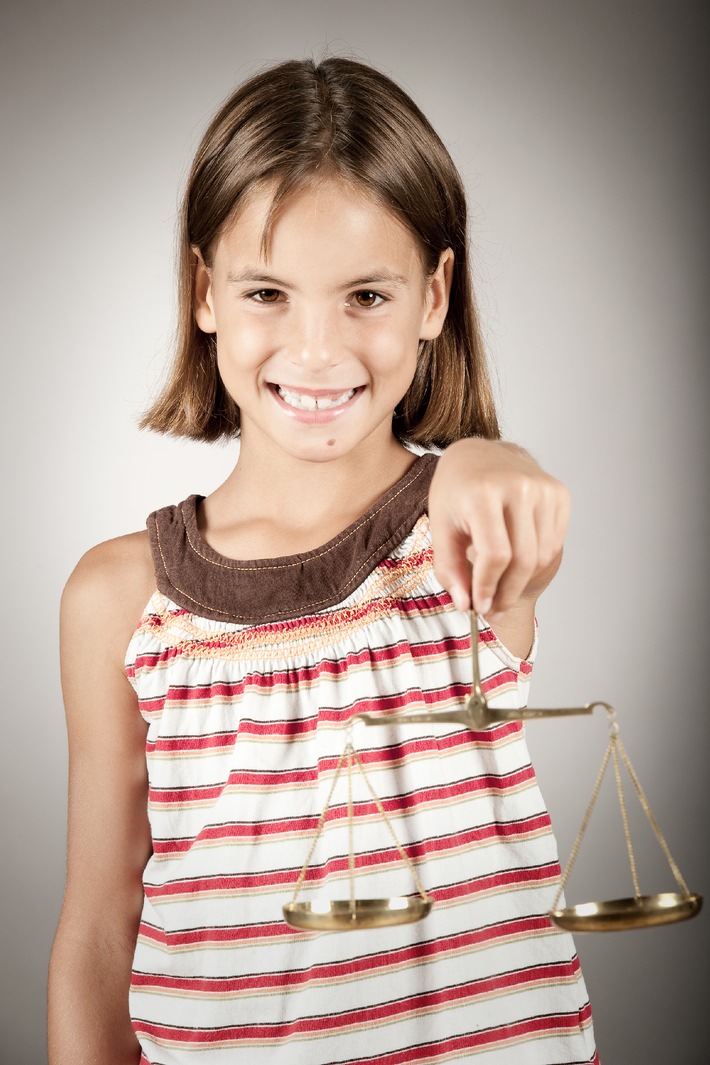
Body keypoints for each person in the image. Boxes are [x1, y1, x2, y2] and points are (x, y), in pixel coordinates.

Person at [48, 57, 597, 1065]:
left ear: (433, 297)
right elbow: (95, 928)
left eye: (365, 296)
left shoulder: (460, 545)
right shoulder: (120, 598)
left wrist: (488, 459)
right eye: (267, 292)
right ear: (204, 293)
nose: (314, 350)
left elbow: (489, 481)